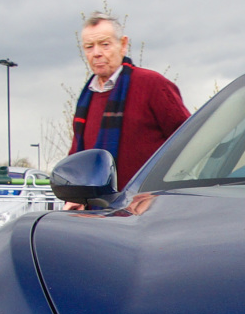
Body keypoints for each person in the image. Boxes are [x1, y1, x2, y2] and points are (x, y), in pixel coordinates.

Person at [70, 14, 190, 189]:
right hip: (97, 209)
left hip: (149, 205)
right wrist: (74, 194)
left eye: (105, 44)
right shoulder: (87, 98)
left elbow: (190, 141)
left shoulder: (153, 85)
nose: (96, 53)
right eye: (89, 47)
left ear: (123, 45)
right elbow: (76, 156)